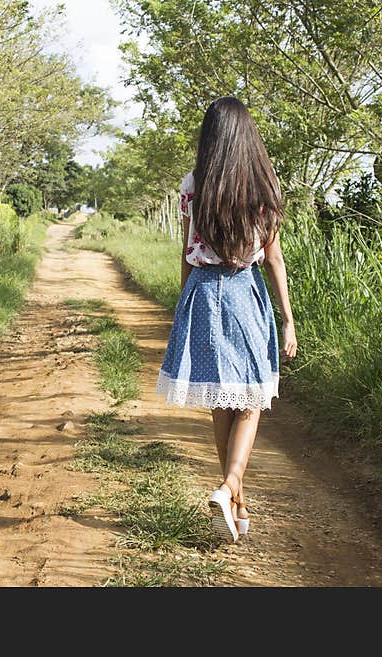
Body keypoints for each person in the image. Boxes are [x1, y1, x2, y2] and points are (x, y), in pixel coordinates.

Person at [155, 96, 297, 542]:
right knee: (251, 400)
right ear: (248, 136)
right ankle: (231, 486)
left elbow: (185, 251)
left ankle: (236, 500)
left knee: (223, 400)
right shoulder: (265, 187)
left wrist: (183, 306)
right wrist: (289, 319)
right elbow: (273, 258)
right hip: (244, 291)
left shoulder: (194, 183)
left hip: (201, 291)